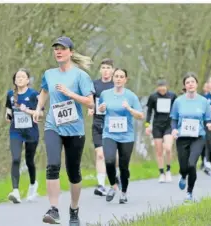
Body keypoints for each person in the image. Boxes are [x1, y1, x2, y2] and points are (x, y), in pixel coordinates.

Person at [33, 36, 95, 225]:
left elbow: (90, 101)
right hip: (53, 126)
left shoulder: (80, 76)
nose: (58, 51)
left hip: (75, 128)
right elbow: (44, 91)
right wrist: (39, 108)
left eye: (62, 48)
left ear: (71, 52)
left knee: (73, 172)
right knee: (52, 165)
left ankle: (74, 210)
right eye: (55, 49)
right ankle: (53, 209)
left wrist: (70, 94)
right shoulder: (49, 74)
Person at [98, 68, 144, 204]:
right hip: (109, 134)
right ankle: (113, 185)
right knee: (109, 160)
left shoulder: (131, 96)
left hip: (126, 136)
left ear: (125, 79)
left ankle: (123, 192)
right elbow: (100, 109)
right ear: (113, 78)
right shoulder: (105, 94)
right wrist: (100, 109)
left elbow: (140, 116)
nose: (118, 79)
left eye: (121, 76)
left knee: (124, 166)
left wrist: (129, 109)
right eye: (116, 76)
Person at [170, 72, 211, 203]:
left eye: (192, 82)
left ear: (197, 84)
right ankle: (183, 175)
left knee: (191, 164)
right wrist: (174, 130)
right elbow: (174, 119)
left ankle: (189, 192)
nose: (190, 84)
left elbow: (207, 119)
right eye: (187, 82)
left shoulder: (204, 101)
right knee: (184, 166)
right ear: (185, 85)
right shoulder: (178, 101)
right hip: (182, 137)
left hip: (198, 137)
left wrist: (209, 124)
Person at [5, 68, 42, 203]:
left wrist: (27, 111)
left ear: (27, 80)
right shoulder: (10, 94)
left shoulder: (33, 94)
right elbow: (8, 110)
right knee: (15, 159)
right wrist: (8, 116)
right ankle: (15, 191)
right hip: (16, 131)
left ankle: (33, 184)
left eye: (22, 77)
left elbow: (41, 114)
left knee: (29, 161)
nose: (19, 79)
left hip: (31, 132)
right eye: (17, 77)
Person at [88, 58, 121, 196]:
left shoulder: (116, 85)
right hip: (98, 123)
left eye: (108, 68)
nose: (106, 70)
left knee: (114, 157)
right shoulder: (94, 85)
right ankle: (101, 185)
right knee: (100, 154)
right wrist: (90, 108)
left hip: (113, 124)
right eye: (103, 68)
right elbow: (90, 100)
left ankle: (117, 175)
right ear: (100, 70)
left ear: (112, 70)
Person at [145, 79, 177, 183]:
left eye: (164, 86)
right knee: (159, 151)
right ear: (157, 87)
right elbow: (149, 111)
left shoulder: (172, 96)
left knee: (168, 148)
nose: (162, 88)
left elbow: (177, 109)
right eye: (160, 87)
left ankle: (168, 170)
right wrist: (147, 125)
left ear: (167, 87)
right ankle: (161, 173)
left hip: (169, 125)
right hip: (157, 126)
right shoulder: (153, 97)